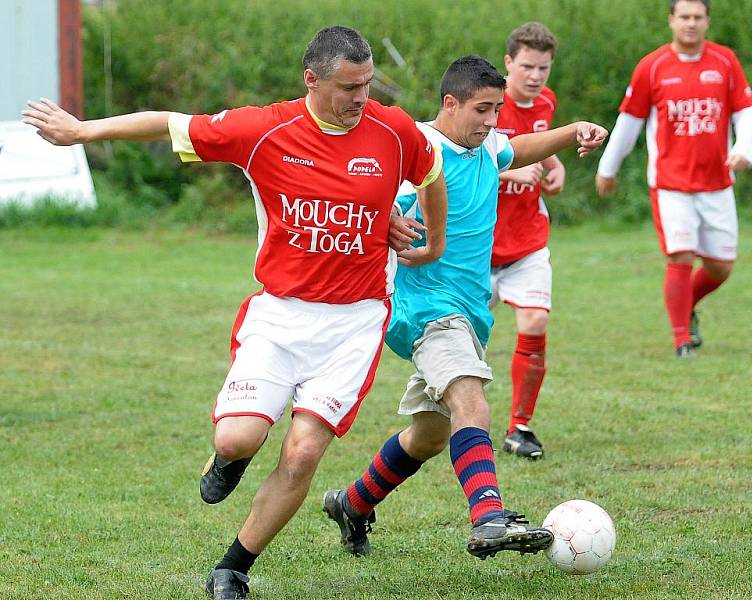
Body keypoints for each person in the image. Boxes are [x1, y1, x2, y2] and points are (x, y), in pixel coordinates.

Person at [23, 26, 446, 600]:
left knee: (301, 455)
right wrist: (83, 131)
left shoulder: (392, 129)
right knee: (236, 439)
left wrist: (433, 242)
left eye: (367, 85)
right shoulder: (264, 130)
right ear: (311, 80)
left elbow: (431, 172)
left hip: (354, 321)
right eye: (348, 88)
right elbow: (171, 122)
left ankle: (234, 567)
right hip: (280, 315)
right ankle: (229, 458)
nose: (360, 99)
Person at [322, 56, 607, 560]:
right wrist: (385, 220)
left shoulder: (485, 147)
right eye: (482, 109)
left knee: (430, 434)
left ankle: (353, 503)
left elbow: (516, 150)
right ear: (450, 104)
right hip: (424, 308)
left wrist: (571, 132)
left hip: (469, 312)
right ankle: (489, 516)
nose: (492, 120)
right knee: (470, 401)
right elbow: (360, 193)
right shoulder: (418, 150)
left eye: (497, 109)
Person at [595, 0, 752, 358]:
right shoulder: (652, 67)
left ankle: (687, 308)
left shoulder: (725, 61)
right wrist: (608, 169)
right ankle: (681, 339)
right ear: (671, 20)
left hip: (717, 183)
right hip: (671, 184)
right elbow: (629, 123)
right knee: (681, 255)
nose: (691, 23)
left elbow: (745, 110)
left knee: (720, 266)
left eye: (698, 17)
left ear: (707, 22)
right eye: (684, 17)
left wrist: (745, 149)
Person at [491, 22, 564, 461]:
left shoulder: (546, 103)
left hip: (527, 240)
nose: (535, 76)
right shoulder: (485, 104)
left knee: (535, 322)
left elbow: (540, 146)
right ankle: (449, 424)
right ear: (508, 64)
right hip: (477, 246)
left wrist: (554, 167)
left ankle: (520, 426)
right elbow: (455, 162)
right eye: (527, 67)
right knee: (461, 340)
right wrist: (507, 171)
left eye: (544, 68)